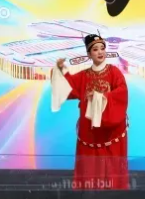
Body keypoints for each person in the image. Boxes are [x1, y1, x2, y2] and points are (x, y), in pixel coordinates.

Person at [51, 34, 129, 190]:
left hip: (109, 130)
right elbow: (67, 88)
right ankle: (87, 196)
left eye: (102, 48)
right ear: (89, 54)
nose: (100, 52)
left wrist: (102, 97)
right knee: (89, 166)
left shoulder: (114, 72)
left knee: (111, 168)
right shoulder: (84, 75)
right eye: (95, 49)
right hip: (90, 130)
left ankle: (114, 196)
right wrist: (60, 70)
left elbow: (122, 93)